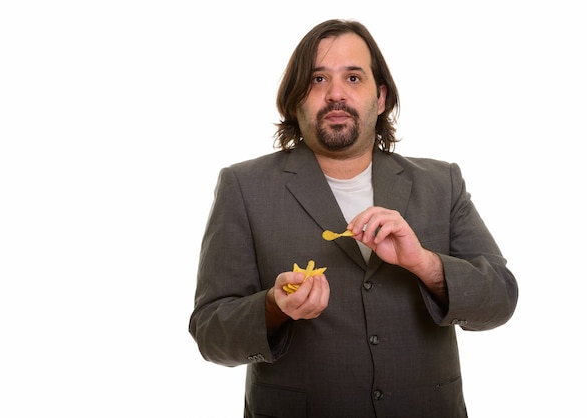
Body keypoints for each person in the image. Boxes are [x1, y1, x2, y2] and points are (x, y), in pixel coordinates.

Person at [189, 18, 518, 418]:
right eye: (317, 80)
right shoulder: (243, 186)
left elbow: (501, 297)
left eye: (354, 78)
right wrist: (275, 306)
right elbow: (209, 331)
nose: (336, 94)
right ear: (296, 100)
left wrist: (424, 264)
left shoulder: (441, 183)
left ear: (380, 98)